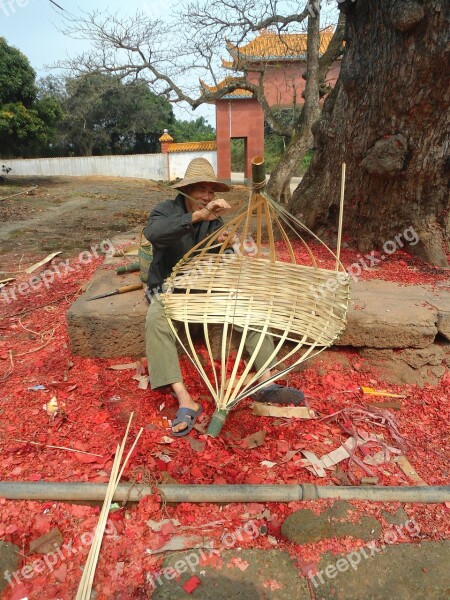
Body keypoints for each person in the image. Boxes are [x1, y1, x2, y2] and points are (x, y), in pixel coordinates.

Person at [144, 158, 303, 436]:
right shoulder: (164, 212)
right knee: (156, 318)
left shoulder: (216, 221)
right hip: (169, 289)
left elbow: (223, 262)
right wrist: (197, 217)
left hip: (205, 290)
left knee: (247, 307)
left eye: (211, 191)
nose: (207, 197)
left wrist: (225, 247)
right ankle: (185, 400)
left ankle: (265, 382)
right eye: (200, 190)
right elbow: (155, 235)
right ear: (187, 190)